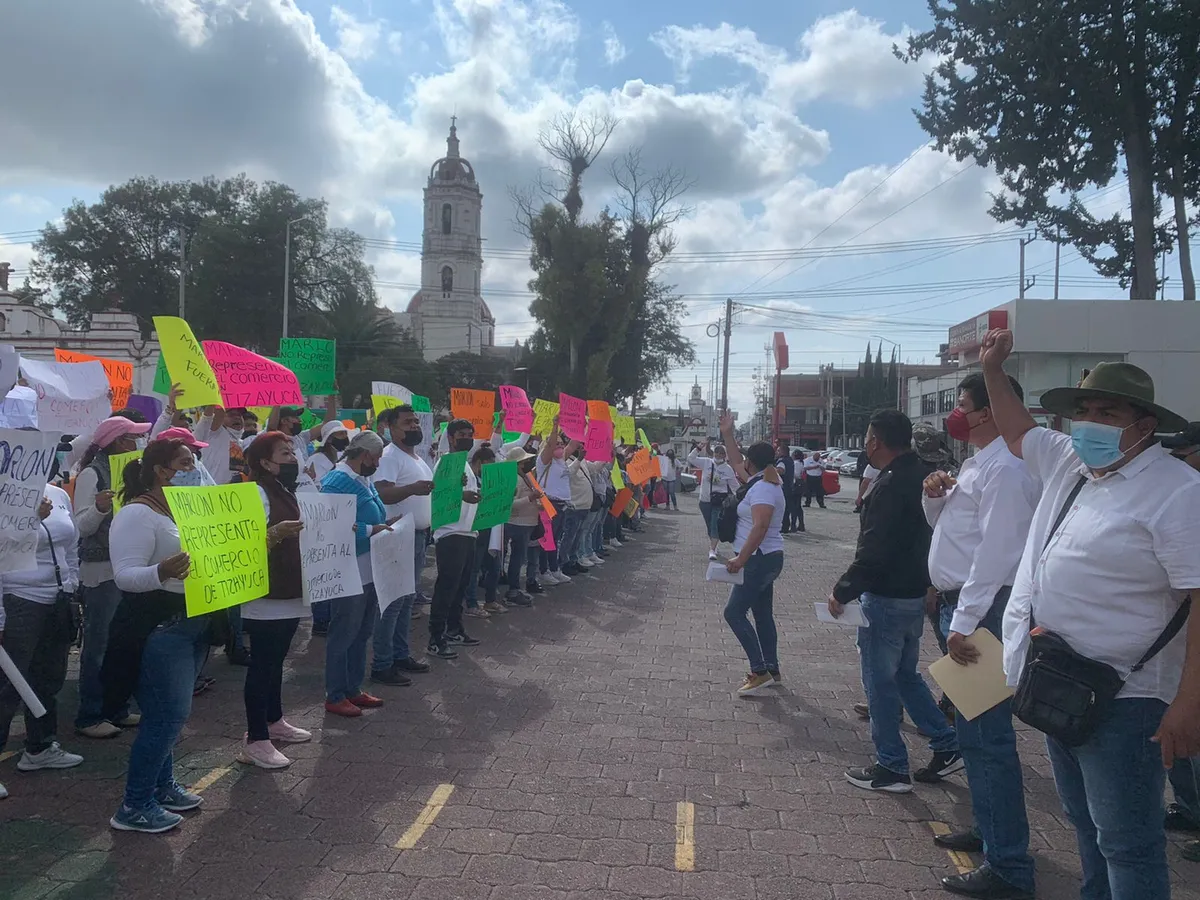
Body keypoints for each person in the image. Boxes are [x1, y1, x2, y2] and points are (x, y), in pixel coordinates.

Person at [981, 330, 1200, 900]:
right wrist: (992, 371)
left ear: (1144, 426)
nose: (1090, 422)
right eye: (1083, 411)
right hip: (1059, 679)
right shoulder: (1072, 464)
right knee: (1086, 825)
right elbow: (1017, 430)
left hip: (1129, 700)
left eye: (1108, 411)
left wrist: (1188, 704)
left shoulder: (1179, 492)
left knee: (1129, 844)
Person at [922, 373, 1039, 900]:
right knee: (972, 734)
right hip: (962, 608)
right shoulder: (976, 464)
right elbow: (953, 533)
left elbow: (997, 552)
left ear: (989, 411)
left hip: (981, 613)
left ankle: (1009, 864)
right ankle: (990, 833)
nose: (956, 415)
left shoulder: (1009, 469)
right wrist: (933, 498)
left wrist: (964, 620)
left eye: (963, 405)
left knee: (989, 742)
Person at [827, 409, 960, 794]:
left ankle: (892, 765)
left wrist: (842, 590)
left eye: (868, 437)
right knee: (905, 675)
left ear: (876, 442)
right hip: (914, 594)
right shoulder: (923, 476)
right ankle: (946, 742)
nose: (866, 444)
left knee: (879, 683)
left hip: (886, 597)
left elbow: (875, 551)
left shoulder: (889, 485)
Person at [105, 439, 205, 833]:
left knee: (165, 715)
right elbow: (125, 576)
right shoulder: (137, 514)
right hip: (161, 628)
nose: (193, 468)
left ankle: (162, 787)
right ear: (162, 470)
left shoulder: (184, 510)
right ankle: (135, 805)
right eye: (185, 462)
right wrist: (161, 572)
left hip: (192, 621)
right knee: (167, 716)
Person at [0, 479, 85, 800]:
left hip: (58, 599)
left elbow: (71, 541)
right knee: (7, 686)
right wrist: (30, 520)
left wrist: (72, 579)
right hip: (17, 598)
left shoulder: (58, 492)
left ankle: (39, 747)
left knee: (48, 678)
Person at [72, 415, 152, 740]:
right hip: (101, 571)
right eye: (133, 438)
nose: (139, 443)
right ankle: (90, 714)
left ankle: (116, 708)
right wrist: (100, 508)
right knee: (98, 645)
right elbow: (82, 527)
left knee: (123, 642)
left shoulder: (134, 474)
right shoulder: (92, 473)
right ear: (119, 442)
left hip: (126, 566)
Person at [238, 432, 311, 768]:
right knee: (263, 663)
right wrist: (272, 534)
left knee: (277, 659)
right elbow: (243, 541)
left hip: (288, 589)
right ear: (265, 463)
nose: (292, 458)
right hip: (265, 592)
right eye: (285, 453)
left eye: (292, 452)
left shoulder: (284, 490)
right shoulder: (255, 493)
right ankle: (255, 738)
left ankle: (274, 720)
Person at [318, 431, 389, 718]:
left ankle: (352, 687)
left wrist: (385, 525)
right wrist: (372, 530)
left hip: (367, 567)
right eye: (377, 459)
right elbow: (331, 524)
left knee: (361, 632)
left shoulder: (362, 479)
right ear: (365, 456)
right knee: (343, 633)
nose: (378, 464)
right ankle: (334, 693)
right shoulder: (337, 481)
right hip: (348, 568)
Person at [720, 420, 787, 698]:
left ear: (752, 462)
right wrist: (727, 434)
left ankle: (759, 671)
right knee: (761, 614)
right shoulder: (766, 481)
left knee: (733, 612)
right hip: (769, 558)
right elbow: (736, 462)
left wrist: (740, 559)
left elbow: (759, 527)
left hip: (759, 559)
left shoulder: (762, 489)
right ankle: (771, 669)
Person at [369, 406, 434, 686]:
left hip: (417, 536)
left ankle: (400, 654)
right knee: (393, 602)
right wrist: (411, 489)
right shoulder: (389, 456)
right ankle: (382, 663)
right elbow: (381, 492)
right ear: (390, 427)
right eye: (407, 422)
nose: (414, 426)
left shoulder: (416, 456)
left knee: (407, 598)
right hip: (398, 534)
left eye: (416, 421)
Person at [428, 423, 483, 658]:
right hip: (451, 533)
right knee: (447, 586)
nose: (467, 439)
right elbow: (437, 493)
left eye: (470, 435)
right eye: (461, 435)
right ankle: (435, 637)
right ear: (450, 438)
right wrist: (462, 494)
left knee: (460, 586)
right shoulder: (446, 462)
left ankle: (454, 628)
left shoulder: (466, 465)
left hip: (468, 531)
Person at [535, 425, 582, 584]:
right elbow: (551, 444)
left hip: (562, 506)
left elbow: (573, 444)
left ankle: (553, 569)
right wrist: (554, 426)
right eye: (558, 443)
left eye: (562, 444)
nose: (561, 446)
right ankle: (544, 571)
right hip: (549, 505)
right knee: (546, 540)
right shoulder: (544, 460)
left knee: (555, 540)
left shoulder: (561, 461)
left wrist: (584, 425)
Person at [687, 440, 740, 560]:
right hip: (705, 500)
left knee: (715, 524)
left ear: (725, 455)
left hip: (719, 501)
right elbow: (691, 459)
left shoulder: (727, 469)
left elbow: (734, 485)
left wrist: (744, 496)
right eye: (717, 452)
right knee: (709, 525)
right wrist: (698, 448)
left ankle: (712, 549)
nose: (719, 455)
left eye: (722, 453)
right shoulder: (707, 463)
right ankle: (714, 545)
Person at [504, 446, 543, 606]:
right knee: (517, 558)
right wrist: (530, 499)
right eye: (525, 461)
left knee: (519, 558)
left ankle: (515, 589)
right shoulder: (514, 479)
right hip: (517, 523)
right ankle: (513, 591)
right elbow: (509, 504)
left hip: (526, 523)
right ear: (519, 463)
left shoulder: (525, 477)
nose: (529, 463)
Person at [311, 420, 350, 485]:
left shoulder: (345, 457)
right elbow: (318, 484)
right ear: (329, 439)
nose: (345, 437)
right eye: (341, 434)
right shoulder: (317, 459)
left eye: (345, 433)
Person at [774, 439, 797, 534]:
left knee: (783, 509)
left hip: (783, 488)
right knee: (789, 508)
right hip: (790, 486)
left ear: (783, 452)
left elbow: (780, 471)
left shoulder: (782, 461)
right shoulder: (790, 460)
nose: (777, 452)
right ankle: (789, 526)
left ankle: (784, 527)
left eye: (778, 450)